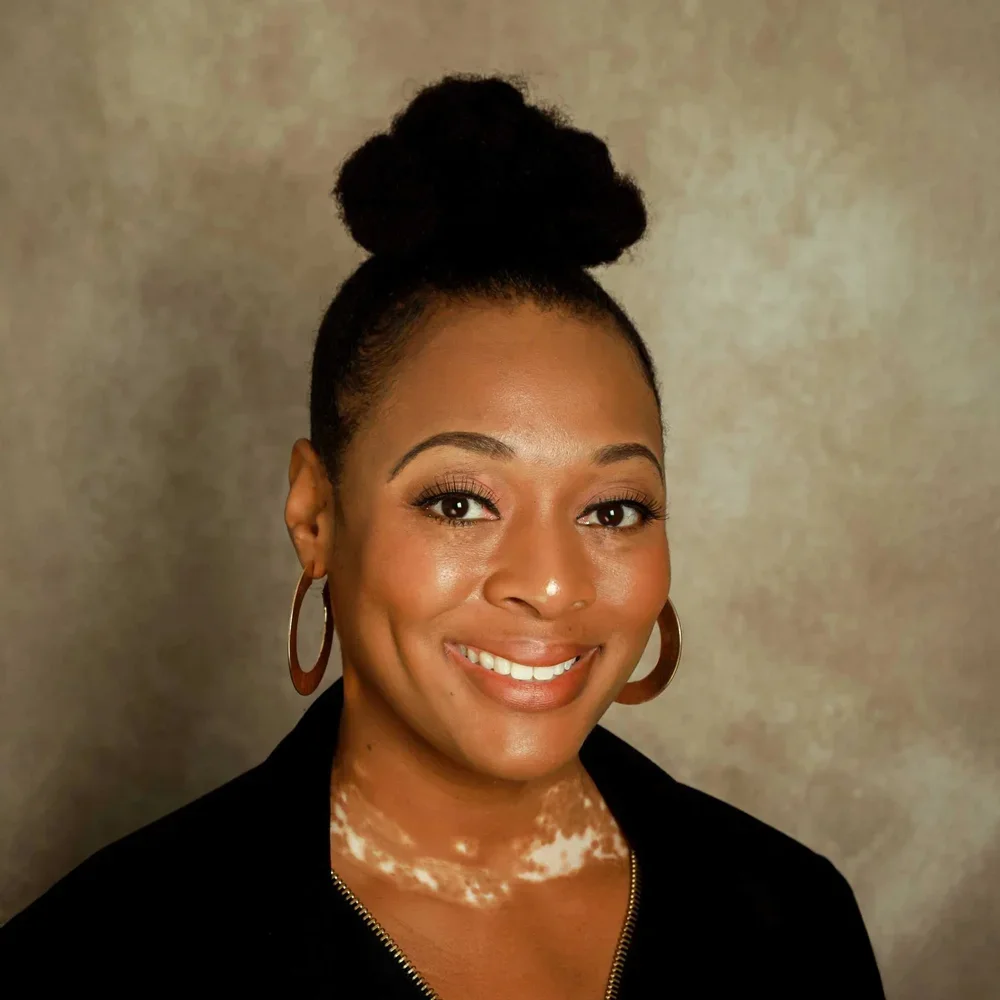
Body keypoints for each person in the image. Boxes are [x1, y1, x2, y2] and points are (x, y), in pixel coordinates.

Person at [0, 73, 886, 998]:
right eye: (460, 502)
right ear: (315, 515)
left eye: (612, 510)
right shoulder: (97, 960)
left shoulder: (791, 914)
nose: (550, 585)